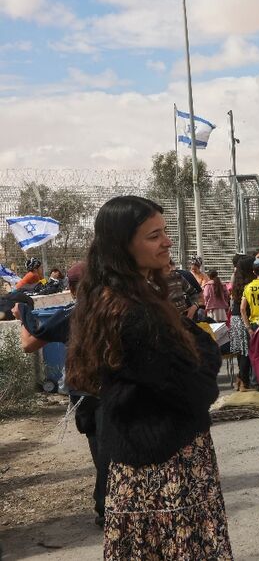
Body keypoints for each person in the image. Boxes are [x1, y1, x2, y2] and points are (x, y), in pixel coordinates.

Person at [65, 195, 232, 560]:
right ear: (123, 246)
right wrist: (201, 344)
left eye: (166, 232)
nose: (168, 242)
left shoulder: (116, 299)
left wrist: (189, 338)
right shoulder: (135, 315)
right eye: (154, 235)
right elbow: (198, 389)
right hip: (165, 473)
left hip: (143, 467)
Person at [13, 263, 108, 527]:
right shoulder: (117, 308)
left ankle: (107, 508)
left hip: (87, 393)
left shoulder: (72, 312)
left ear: (73, 288)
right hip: (118, 389)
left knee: (101, 450)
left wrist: (23, 312)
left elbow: (29, 343)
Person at [229, 256, 256, 390]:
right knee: (246, 351)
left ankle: (241, 380)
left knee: (241, 352)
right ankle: (244, 381)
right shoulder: (249, 283)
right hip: (243, 318)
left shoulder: (237, 281)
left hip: (235, 318)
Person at [241, 258, 259, 336]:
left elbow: (242, 309)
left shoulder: (247, 287)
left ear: (254, 272)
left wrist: (248, 328)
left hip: (254, 325)